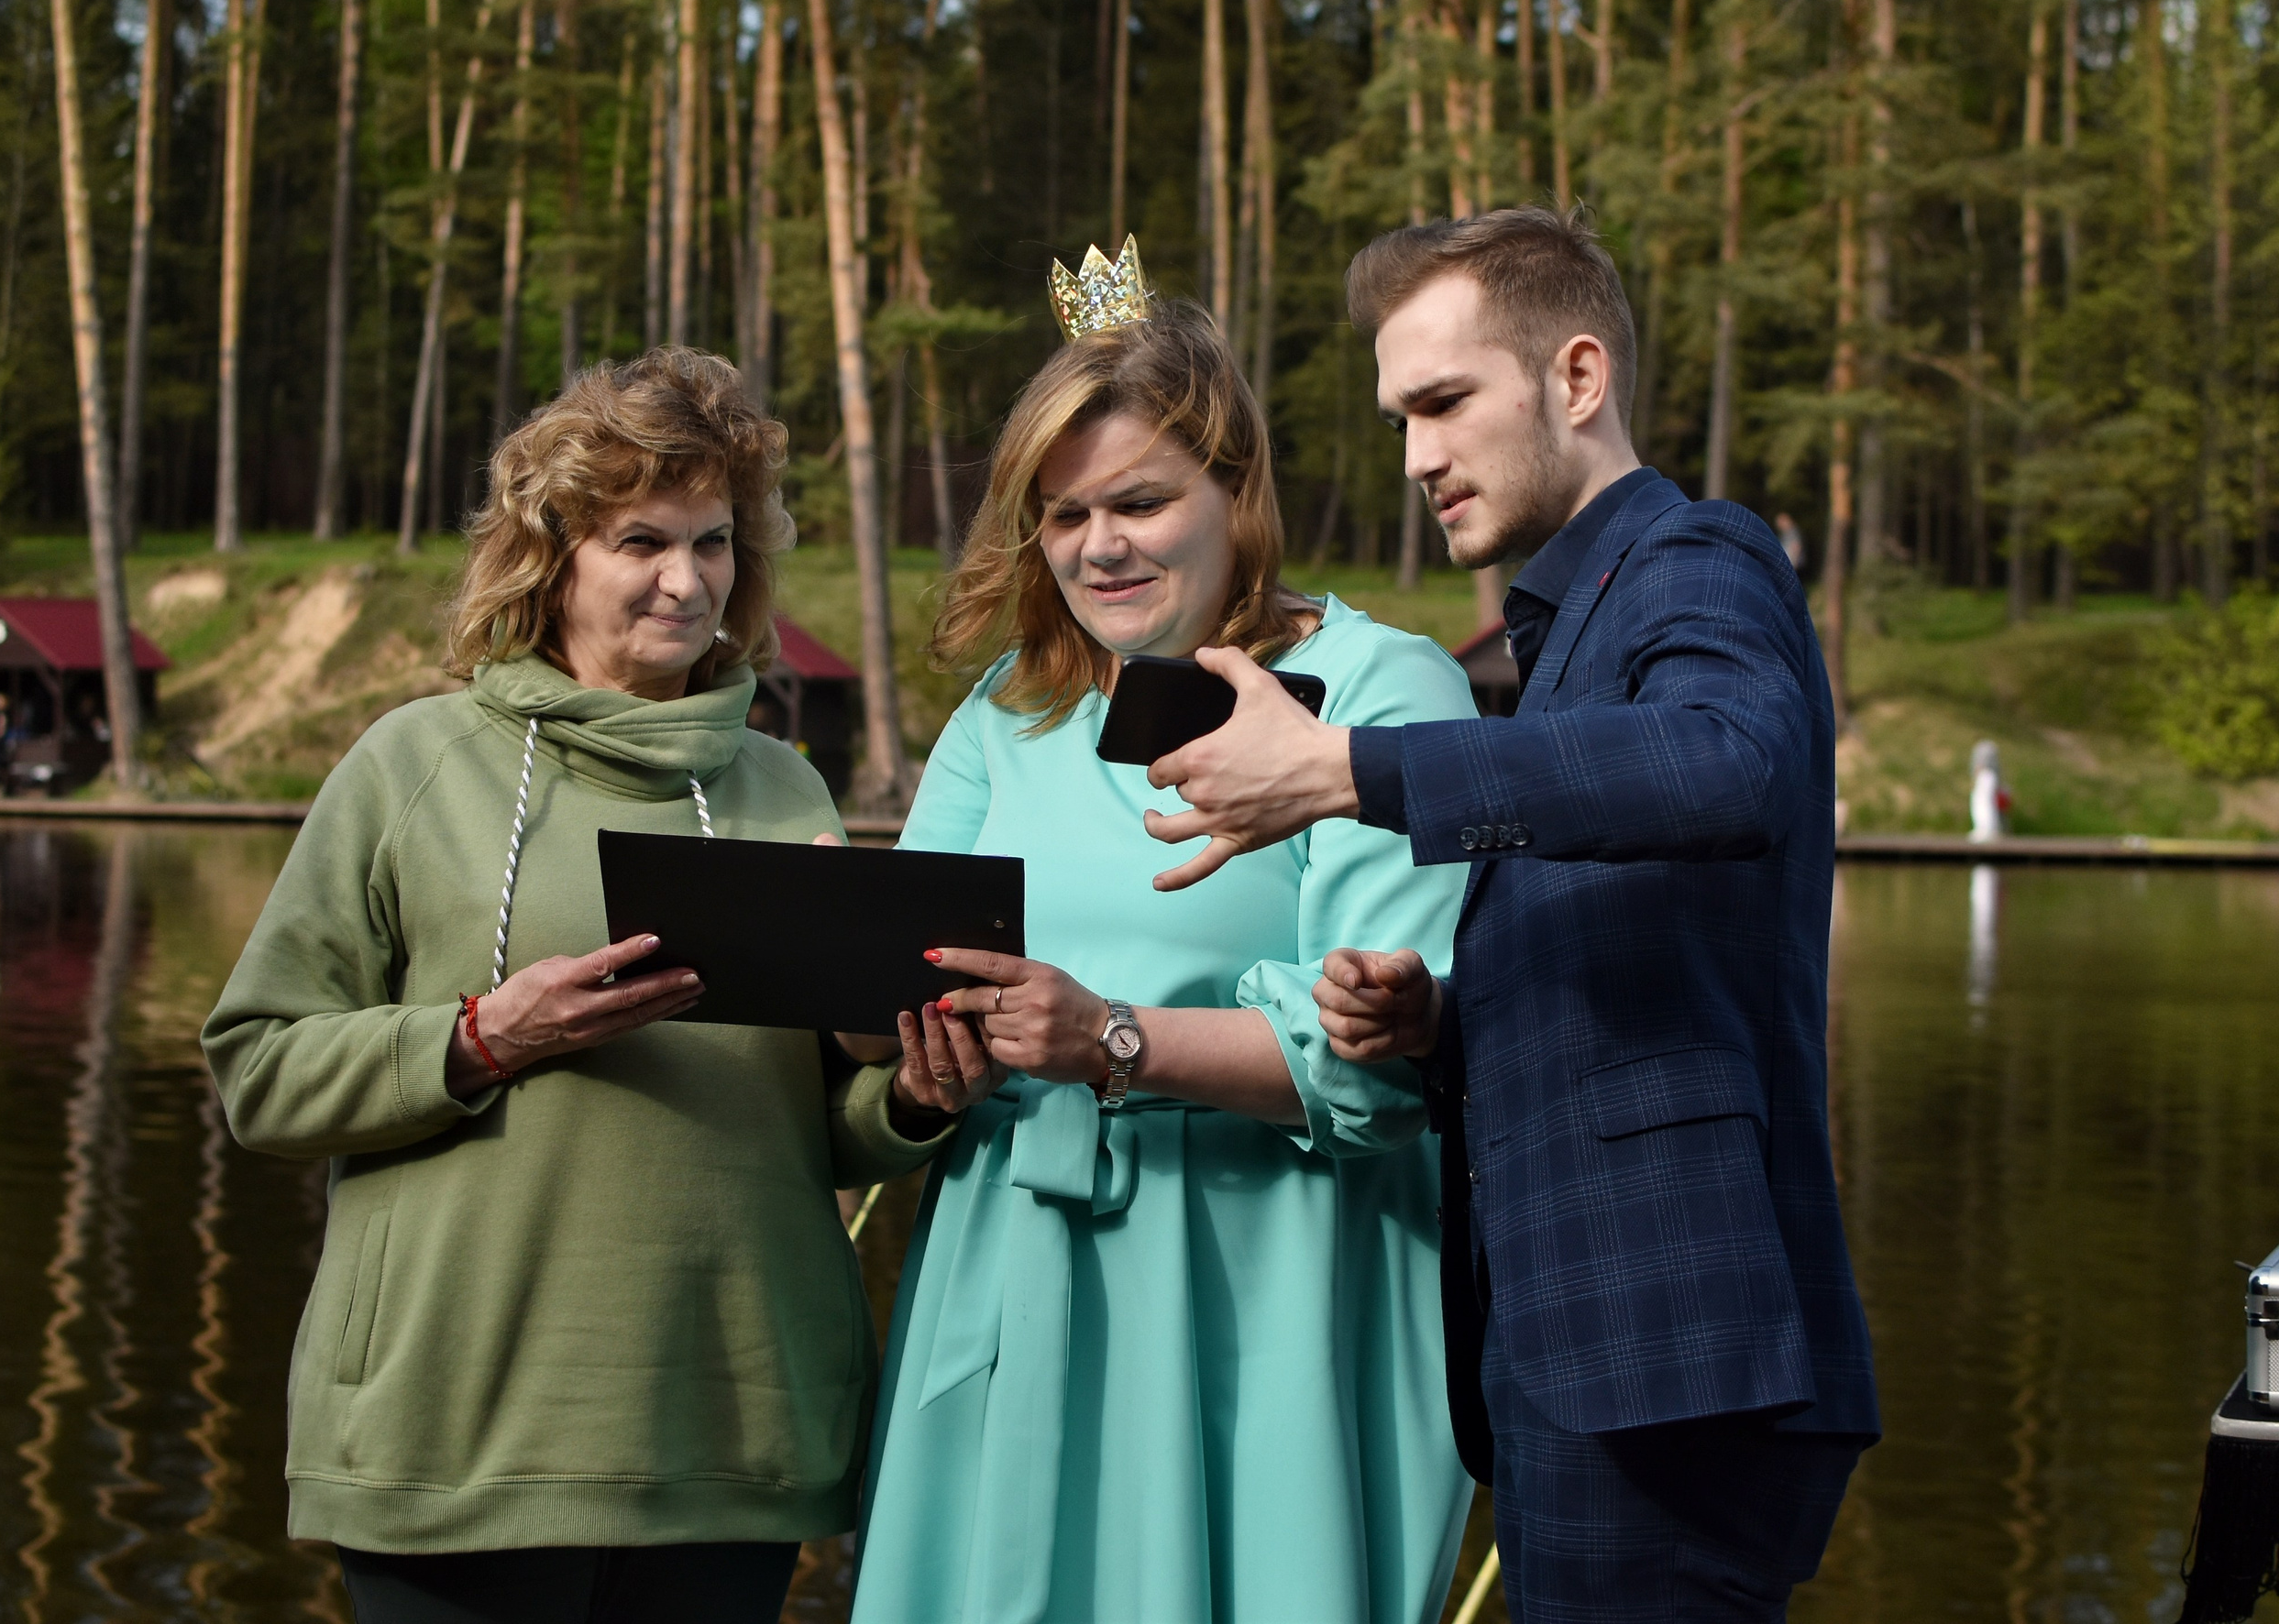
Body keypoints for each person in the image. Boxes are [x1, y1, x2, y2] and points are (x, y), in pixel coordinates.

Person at [1140, 209, 1880, 1623]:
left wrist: (1352, 768)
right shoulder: (1572, 629)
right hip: (1584, 1351)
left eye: (1443, 403)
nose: (1416, 455)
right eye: (1398, 417)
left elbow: (1731, 762)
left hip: (1667, 1352)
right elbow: (1640, 945)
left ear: (1578, 379)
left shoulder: (1696, 557)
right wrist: (1435, 1025)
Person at [201, 348, 963, 1624]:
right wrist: (481, 1037)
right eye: (641, 540)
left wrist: (908, 1089)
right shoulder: (411, 767)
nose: (686, 580)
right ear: (553, 552)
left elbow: (819, 1132)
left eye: (715, 541)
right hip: (454, 1439)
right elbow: (259, 1073)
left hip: (733, 1438)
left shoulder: (787, 791)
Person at [849, 265, 1478, 1624]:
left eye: (1140, 503)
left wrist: (1109, 1041)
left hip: (1265, 1292)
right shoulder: (1004, 712)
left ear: (1236, 495)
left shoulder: (1379, 691)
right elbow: (898, 968)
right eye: (1064, 514)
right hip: (1011, 1279)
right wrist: (898, 1045)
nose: (1099, 547)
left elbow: (1376, 1074)